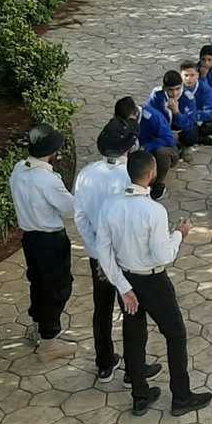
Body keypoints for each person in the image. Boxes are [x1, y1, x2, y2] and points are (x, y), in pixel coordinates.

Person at [94, 150, 212, 417]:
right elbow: (163, 255)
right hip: (154, 281)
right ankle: (181, 396)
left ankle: (140, 395)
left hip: (126, 279)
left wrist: (123, 288)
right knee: (175, 334)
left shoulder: (109, 206)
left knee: (133, 335)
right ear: (151, 174)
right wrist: (179, 234)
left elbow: (103, 250)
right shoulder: (154, 211)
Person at [73, 118, 137, 380]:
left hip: (97, 256)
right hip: (124, 256)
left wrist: (98, 252)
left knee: (102, 308)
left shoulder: (85, 174)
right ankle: (134, 369)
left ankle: (104, 362)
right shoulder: (130, 177)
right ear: (129, 148)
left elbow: (80, 218)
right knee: (131, 309)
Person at [9, 124, 77, 361]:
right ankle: (49, 342)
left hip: (30, 238)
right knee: (57, 287)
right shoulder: (47, 179)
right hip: (50, 240)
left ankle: (38, 327)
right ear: (52, 152)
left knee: (38, 282)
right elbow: (69, 209)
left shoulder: (20, 169)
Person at [115, 95, 178, 201]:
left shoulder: (153, 117)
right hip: (141, 150)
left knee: (161, 153)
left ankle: (158, 184)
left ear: (135, 114)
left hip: (163, 150)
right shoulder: (124, 119)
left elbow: (169, 139)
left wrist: (146, 147)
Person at [146, 70, 199, 162]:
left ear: (182, 86)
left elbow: (189, 123)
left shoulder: (188, 97)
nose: (175, 93)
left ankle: (185, 146)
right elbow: (150, 116)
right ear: (164, 88)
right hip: (164, 129)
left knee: (192, 131)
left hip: (181, 129)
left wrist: (176, 112)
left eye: (178, 89)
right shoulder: (157, 95)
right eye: (171, 90)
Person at [179, 61, 212, 145]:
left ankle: (194, 137)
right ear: (180, 76)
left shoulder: (206, 89)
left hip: (198, 119)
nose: (188, 79)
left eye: (192, 75)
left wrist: (193, 116)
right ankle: (199, 139)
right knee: (187, 135)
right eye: (186, 75)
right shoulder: (177, 89)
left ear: (197, 75)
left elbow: (210, 111)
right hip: (182, 121)